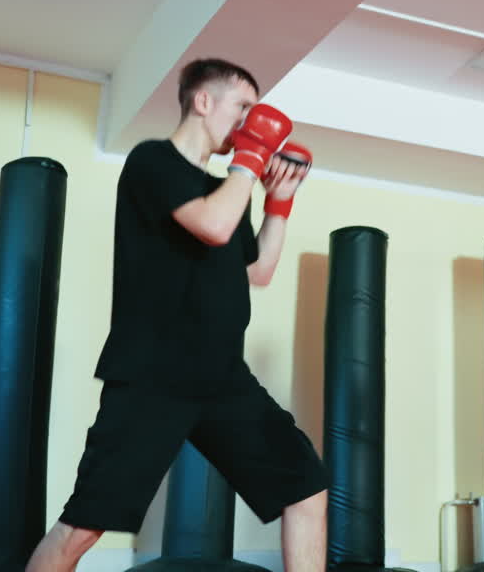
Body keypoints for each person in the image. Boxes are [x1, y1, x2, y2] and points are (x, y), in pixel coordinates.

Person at [26, 58, 329, 572]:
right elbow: (211, 226)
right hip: (154, 374)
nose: (251, 122)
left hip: (222, 378)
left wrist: (279, 203)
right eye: (244, 107)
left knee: (306, 485)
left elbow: (258, 271)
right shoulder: (153, 163)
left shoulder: (228, 189)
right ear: (203, 101)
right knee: (83, 526)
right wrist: (252, 160)